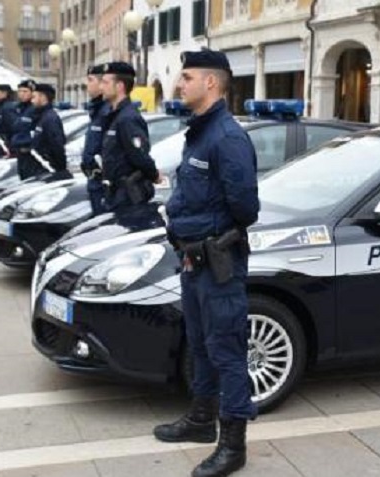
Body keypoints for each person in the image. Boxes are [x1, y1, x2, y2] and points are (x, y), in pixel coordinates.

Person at [154, 49, 260, 477]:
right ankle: (201, 419)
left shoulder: (227, 137)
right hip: (193, 262)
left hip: (219, 265)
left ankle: (233, 446)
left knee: (227, 353)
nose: (181, 84)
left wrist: (209, 238)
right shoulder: (199, 133)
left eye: (188, 77)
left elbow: (245, 207)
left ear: (211, 84)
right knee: (199, 345)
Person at [98, 61, 159, 213]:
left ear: (119, 86)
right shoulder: (115, 116)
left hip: (127, 196)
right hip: (114, 193)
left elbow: (139, 155)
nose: (101, 87)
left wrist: (154, 174)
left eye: (105, 82)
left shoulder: (127, 118)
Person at [80, 64, 110, 216]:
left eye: (90, 80)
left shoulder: (107, 112)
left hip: (103, 185)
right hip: (94, 182)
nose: (87, 84)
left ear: (101, 83)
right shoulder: (97, 111)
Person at [29, 83, 69, 179]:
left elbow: (57, 146)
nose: (32, 100)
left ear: (43, 97)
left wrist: (59, 170)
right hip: (40, 167)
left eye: (34, 97)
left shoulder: (50, 118)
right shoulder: (42, 116)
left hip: (48, 169)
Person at [10, 79, 38, 179]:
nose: (22, 94)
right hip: (19, 152)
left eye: (25, 91)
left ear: (32, 93)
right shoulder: (18, 108)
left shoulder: (35, 109)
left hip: (30, 154)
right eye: (20, 91)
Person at [0, 84, 17, 156]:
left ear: (4, 93)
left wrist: (8, 143)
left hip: (6, 146)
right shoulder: (0, 107)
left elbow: (12, 127)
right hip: (1, 144)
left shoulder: (7, 107)